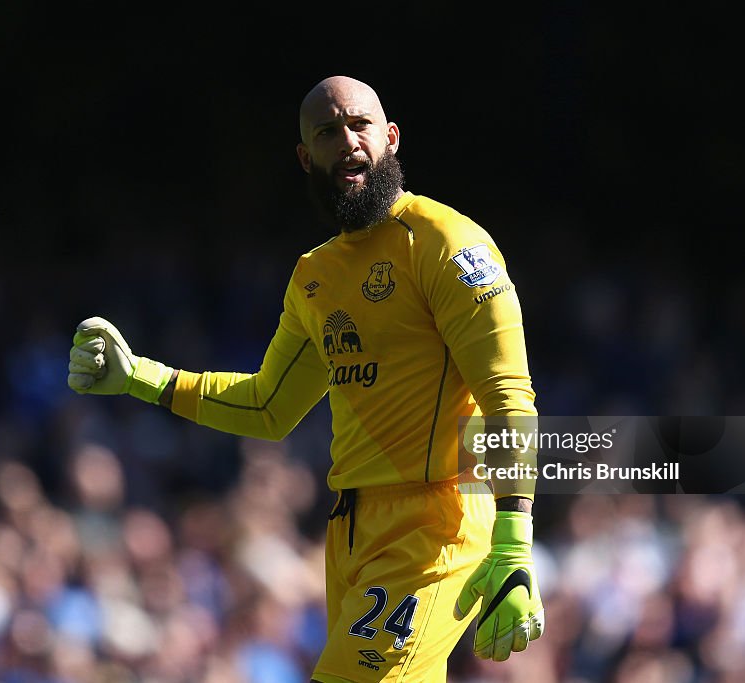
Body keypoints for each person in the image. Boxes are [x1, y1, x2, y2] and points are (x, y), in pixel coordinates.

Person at [67, 75, 545, 682]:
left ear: (391, 139)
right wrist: (140, 377)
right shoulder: (314, 277)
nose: (347, 142)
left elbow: (509, 396)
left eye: (360, 126)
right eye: (328, 132)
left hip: (436, 526)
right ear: (305, 156)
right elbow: (268, 408)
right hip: (348, 534)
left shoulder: (446, 243)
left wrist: (514, 540)